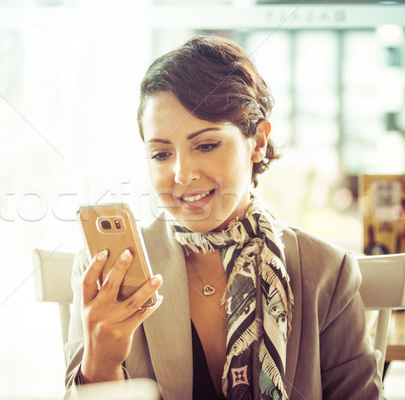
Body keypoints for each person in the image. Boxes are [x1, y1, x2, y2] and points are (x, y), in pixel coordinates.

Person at [64, 35, 381, 400]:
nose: (182, 174)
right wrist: (100, 366)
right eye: (162, 154)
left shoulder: (327, 271)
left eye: (207, 145)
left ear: (258, 141)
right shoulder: (104, 272)